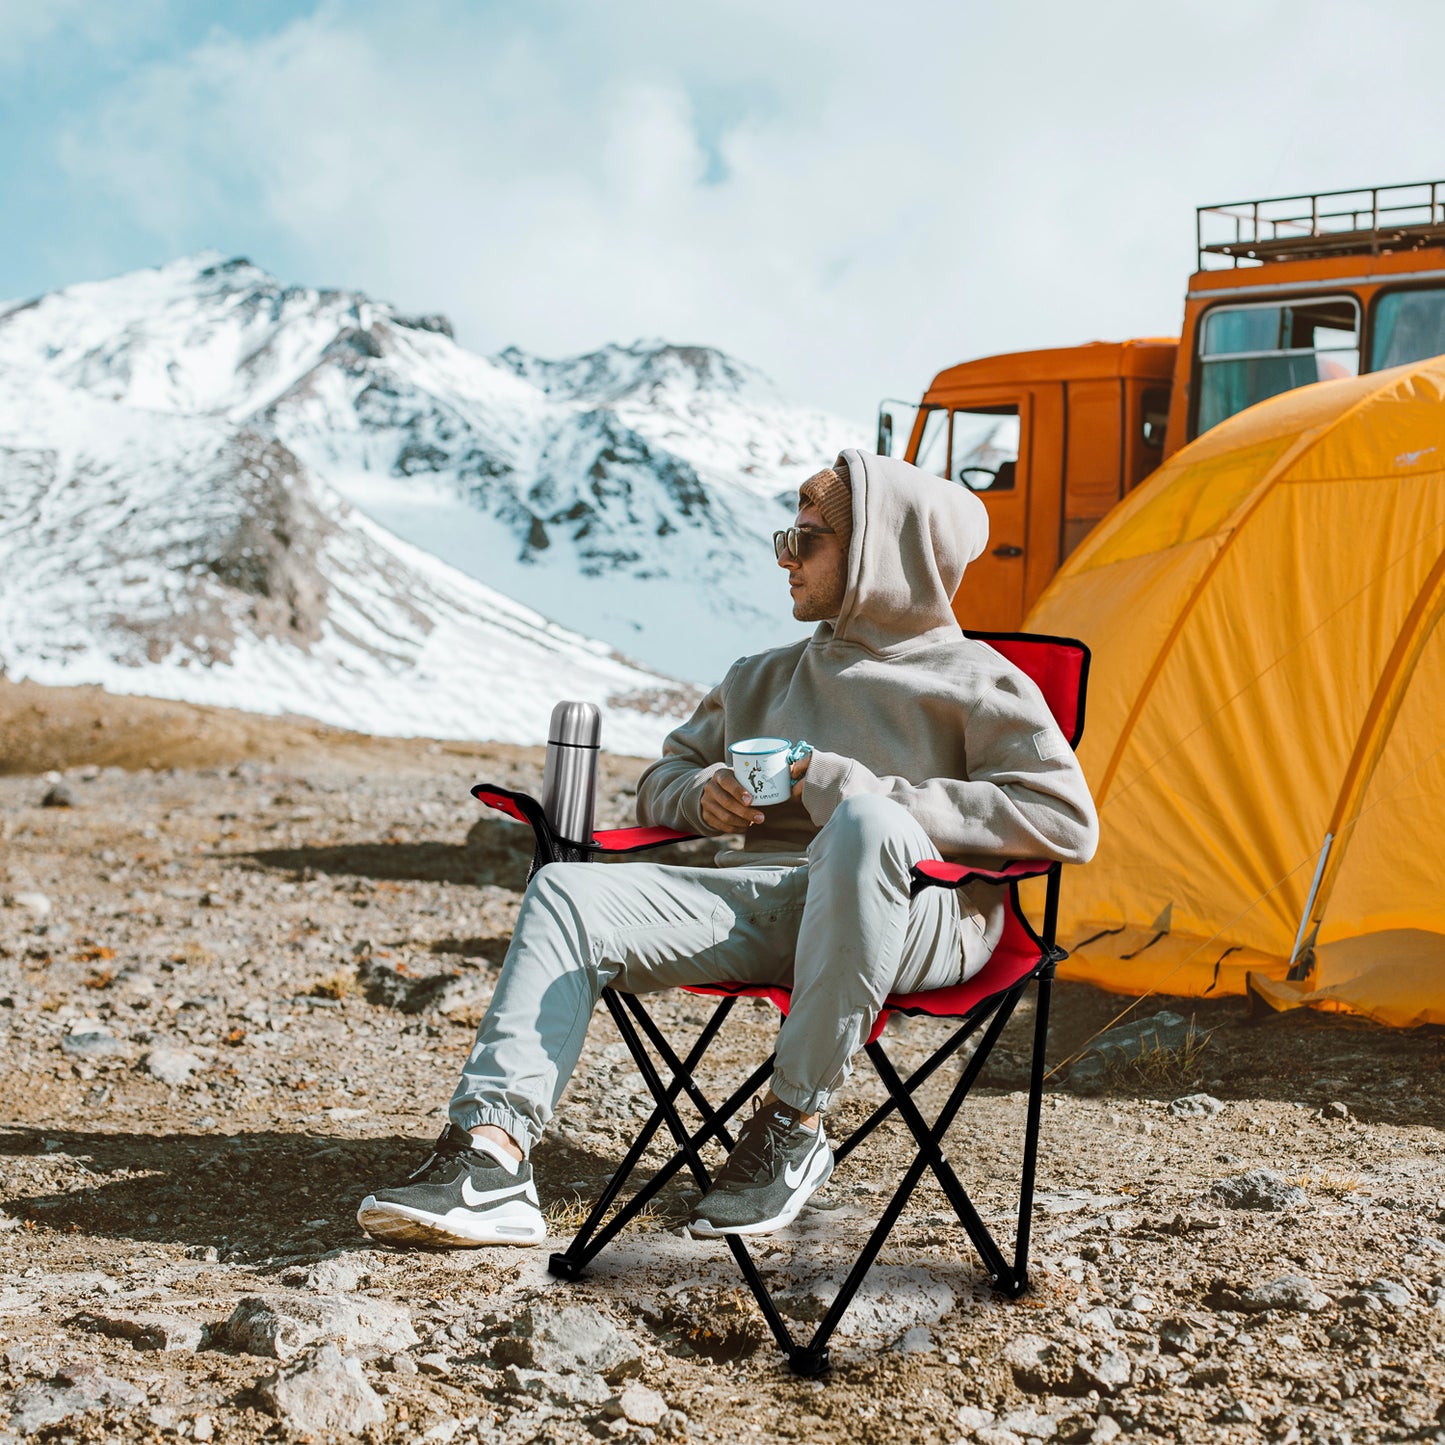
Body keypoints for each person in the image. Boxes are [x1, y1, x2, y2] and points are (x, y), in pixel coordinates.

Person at [357, 448, 1099, 1248]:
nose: (783, 555)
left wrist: (845, 784)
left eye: (806, 538)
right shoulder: (762, 674)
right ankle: (492, 1158)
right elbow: (661, 779)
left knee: (863, 824)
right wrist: (698, 792)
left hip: (914, 912)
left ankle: (794, 1123)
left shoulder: (979, 680)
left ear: (878, 552)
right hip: (762, 902)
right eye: (786, 534)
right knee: (569, 891)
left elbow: (1062, 820)